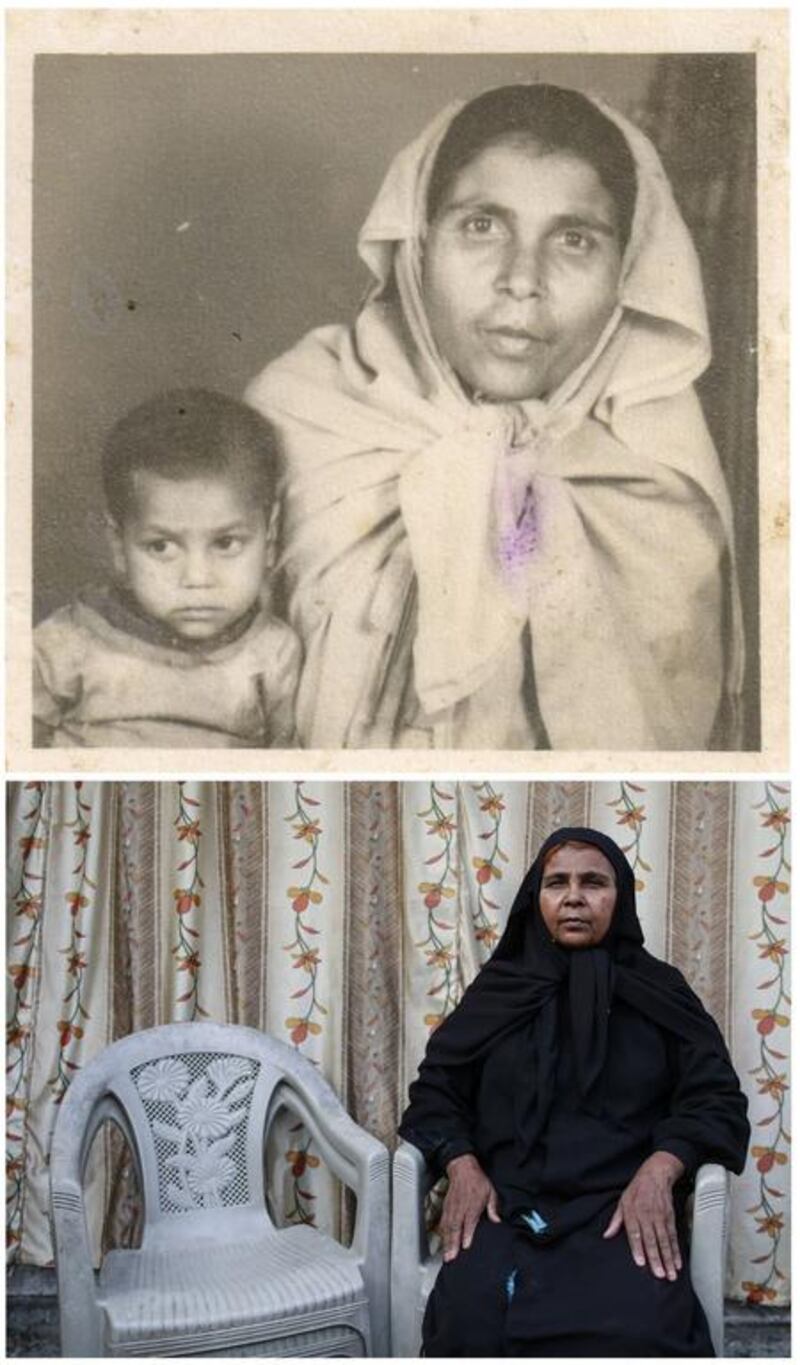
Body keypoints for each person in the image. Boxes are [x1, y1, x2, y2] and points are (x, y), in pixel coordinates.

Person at [247, 83, 744, 751]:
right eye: (481, 226)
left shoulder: (661, 481)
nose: (521, 278)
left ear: (627, 269)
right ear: (418, 243)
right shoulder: (303, 417)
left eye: (573, 239)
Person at [399, 826, 750, 1357]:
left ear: (621, 896)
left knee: (640, 1331)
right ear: (535, 898)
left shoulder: (661, 991)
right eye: (556, 883)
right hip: (507, 1206)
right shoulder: (498, 991)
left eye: (594, 883)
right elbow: (436, 1092)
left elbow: (716, 1098)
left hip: (619, 1207)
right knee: (470, 1326)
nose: (574, 897)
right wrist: (460, 1164)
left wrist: (662, 1169)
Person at [33, 388, 301, 747]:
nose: (197, 579)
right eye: (161, 547)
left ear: (268, 539)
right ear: (119, 546)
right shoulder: (65, 643)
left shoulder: (273, 653)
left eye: (225, 543)